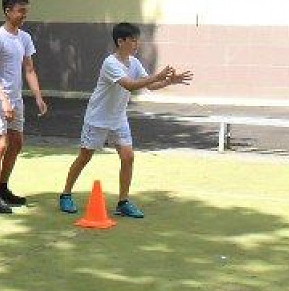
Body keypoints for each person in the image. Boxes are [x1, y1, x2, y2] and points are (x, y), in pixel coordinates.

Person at [58, 22, 192, 218]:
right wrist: (158, 75)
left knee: (128, 157)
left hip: (118, 119)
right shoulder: (110, 63)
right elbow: (129, 85)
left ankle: (123, 202)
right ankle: (66, 194)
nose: (136, 43)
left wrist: (169, 81)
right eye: (133, 40)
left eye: (137, 40)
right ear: (120, 41)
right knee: (85, 157)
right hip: (97, 118)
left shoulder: (134, 62)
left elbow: (150, 86)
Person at [0, 0, 48, 214]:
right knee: (0, 144)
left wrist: (38, 96)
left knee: (17, 143)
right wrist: (3, 100)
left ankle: (3, 188)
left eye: (26, 12)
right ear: (7, 11)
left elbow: (29, 69)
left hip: (16, 99)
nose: (24, 16)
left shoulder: (24, 38)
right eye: (20, 11)